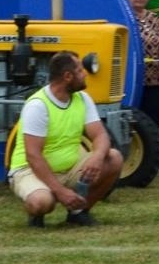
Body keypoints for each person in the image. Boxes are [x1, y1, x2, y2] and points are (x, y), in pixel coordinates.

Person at [8, 50, 123, 227]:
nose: (85, 73)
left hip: (69, 168)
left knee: (113, 158)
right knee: (41, 202)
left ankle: (79, 213)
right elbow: (33, 156)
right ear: (67, 76)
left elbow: (100, 134)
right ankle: (38, 210)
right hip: (29, 170)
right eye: (79, 70)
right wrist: (60, 191)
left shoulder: (83, 98)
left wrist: (97, 157)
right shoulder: (37, 105)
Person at [126, 0, 159, 129]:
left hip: (157, 82)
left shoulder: (155, 19)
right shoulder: (124, 18)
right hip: (133, 81)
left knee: (153, 122)